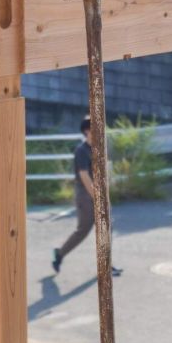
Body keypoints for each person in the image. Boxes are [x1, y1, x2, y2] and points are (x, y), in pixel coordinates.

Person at [53, 117, 121, 277]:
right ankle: (59, 254)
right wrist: (97, 198)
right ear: (87, 131)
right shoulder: (81, 151)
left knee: (106, 227)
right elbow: (84, 176)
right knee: (83, 230)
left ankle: (106, 266)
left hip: (98, 193)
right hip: (85, 195)